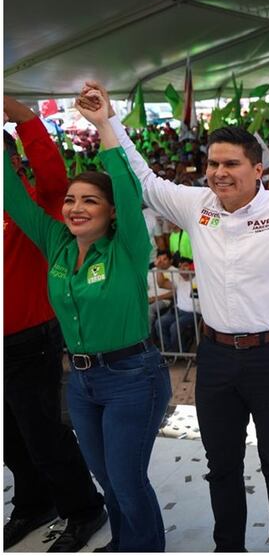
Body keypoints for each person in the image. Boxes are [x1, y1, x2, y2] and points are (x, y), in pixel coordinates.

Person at [77, 81, 269, 552]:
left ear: (258, 169)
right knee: (222, 464)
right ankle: (228, 546)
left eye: (231, 164)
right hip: (215, 356)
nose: (219, 172)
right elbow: (145, 182)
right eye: (213, 164)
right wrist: (107, 122)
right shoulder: (197, 205)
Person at [4, 90, 172, 552]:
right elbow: (13, 196)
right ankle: (122, 543)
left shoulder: (128, 247)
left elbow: (125, 183)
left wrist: (104, 127)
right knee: (108, 480)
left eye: (90, 201)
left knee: (127, 480)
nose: (76, 207)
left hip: (132, 378)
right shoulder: (55, 241)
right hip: (81, 383)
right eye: (71, 200)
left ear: (111, 210)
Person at [2, 97, 107, 552]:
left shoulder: (38, 199)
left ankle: (84, 509)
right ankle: (32, 503)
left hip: (31, 339)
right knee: (9, 436)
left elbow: (52, 172)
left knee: (44, 433)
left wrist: (23, 116)